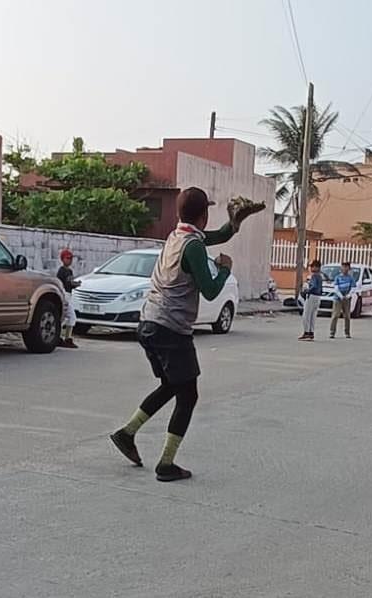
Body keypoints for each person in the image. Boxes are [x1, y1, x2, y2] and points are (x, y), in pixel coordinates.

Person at [110, 187, 264, 482]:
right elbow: (210, 290)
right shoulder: (192, 245)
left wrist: (234, 225)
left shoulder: (176, 236)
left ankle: (127, 433)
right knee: (188, 395)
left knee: (171, 385)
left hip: (150, 323)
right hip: (171, 329)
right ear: (204, 214)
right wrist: (224, 270)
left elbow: (216, 236)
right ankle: (166, 464)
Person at [57, 248, 81, 348]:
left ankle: (63, 337)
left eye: (71, 258)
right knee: (71, 316)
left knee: (66, 317)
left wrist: (75, 284)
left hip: (69, 295)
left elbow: (70, 284)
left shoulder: (70, 271)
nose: (70, 260)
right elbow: (63, 283)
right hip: (64, 295)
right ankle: (66, 338)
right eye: (67, 258)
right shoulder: (61, 271)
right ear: (62, 259)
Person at [330, 261, 356, 339]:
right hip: (338, 298)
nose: (344, 268)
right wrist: (341, 296)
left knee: (347, 316)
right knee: (335, 315)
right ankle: (332, 332)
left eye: (346, 267)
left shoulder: (351, 278)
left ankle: (347, 332)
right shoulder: (337, 277)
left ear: (349, 268)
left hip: (347, 299)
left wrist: (348, 296)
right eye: (343, 267)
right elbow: (336, 288)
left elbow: (353, 288)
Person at [299, 260, 323, 341]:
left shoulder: (314, 276)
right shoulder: (320, 276)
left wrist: (307, 291)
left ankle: (306, 333)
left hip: (312, 296)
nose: (311, 268)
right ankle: (311, 332)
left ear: (317, 267)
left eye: (313, 266)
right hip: (318, 297)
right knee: (313, 316)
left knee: (306, 315)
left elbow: (314, 286)